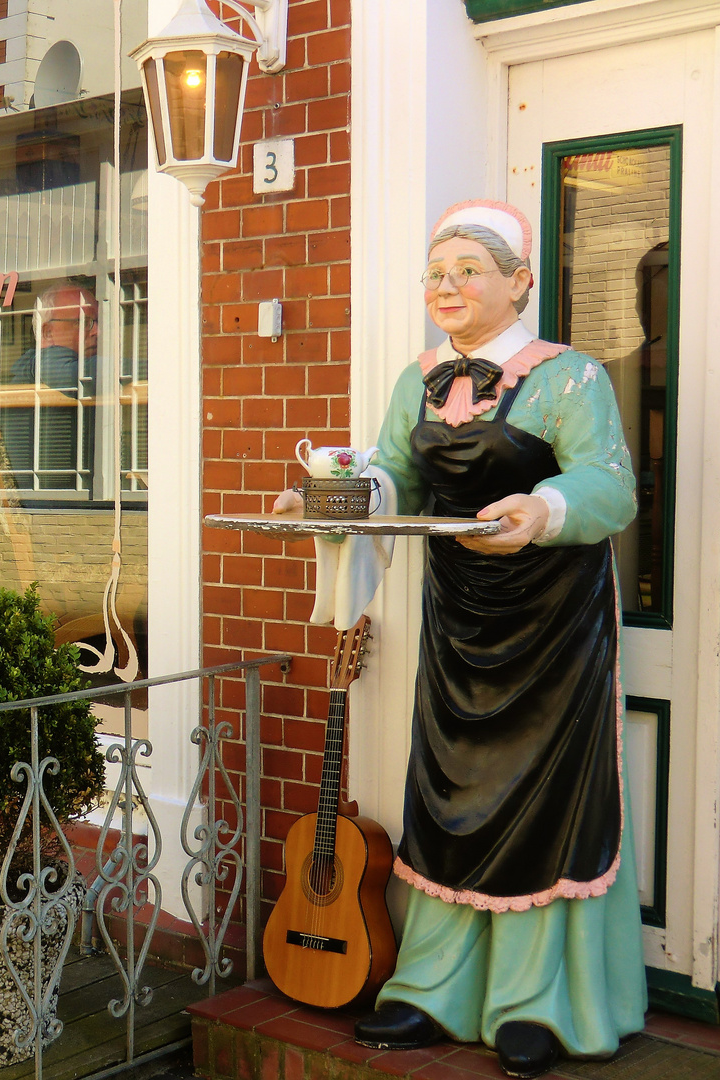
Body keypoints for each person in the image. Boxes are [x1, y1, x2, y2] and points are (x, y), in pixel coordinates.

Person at [275, 200, 645, 1079]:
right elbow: (392, 476)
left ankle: (536, 1002)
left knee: (545, 809)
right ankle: (433, 987)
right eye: (436, 273)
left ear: (519, 283)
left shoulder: (572, 376)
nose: (447, 286)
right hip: (458, 620)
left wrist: (543, 507)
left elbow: (610, 485)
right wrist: (323, 501)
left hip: (555, 630)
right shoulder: (418, 380)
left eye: (467, 270)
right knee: (447, 800)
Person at [1, 282, 98, 486]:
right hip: (59, 507)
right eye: (84, 322)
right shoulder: (46, 361)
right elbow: (72, 374)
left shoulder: (32, 368)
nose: (97, 331)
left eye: (99, 322)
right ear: (47, 333)